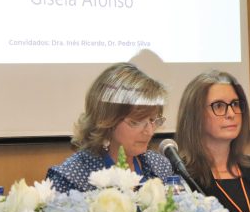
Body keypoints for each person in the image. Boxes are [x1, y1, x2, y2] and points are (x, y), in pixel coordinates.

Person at [46, 63, 173, 193]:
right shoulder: (70, 178)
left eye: (152, 120)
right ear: (106, 120)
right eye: (135, 122)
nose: (149, 132)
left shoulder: (160, 166)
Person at [175, 70, 250, 212]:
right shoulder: (180, 177)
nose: (231, 113)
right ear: (195, 115)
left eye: (235, 104)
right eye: (219, 106)